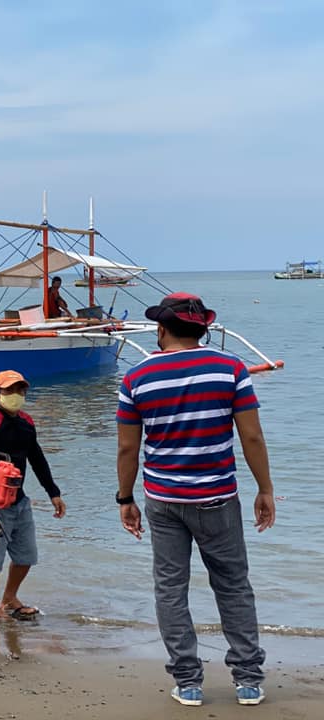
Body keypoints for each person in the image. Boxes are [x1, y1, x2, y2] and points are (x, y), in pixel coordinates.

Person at [116, 292, 275, 707]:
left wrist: (124, 498)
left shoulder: (136, 378)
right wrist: (265, 488)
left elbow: (128, 450)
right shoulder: (231, 369)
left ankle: (188, 682)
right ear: (203, 328)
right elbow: (252, 436)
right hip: (217, 497)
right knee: (233, 586)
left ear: (161, 329)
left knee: (171, 589)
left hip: (163, 499)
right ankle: (247, 680)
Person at [0, 370, 66, 620]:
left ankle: (9, 597)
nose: (16, 395)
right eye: (9, 390)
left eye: (20, 390)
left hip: (19, 501)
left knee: (27, 555)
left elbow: (37, 459)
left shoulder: (27, 423)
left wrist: (53, 493)